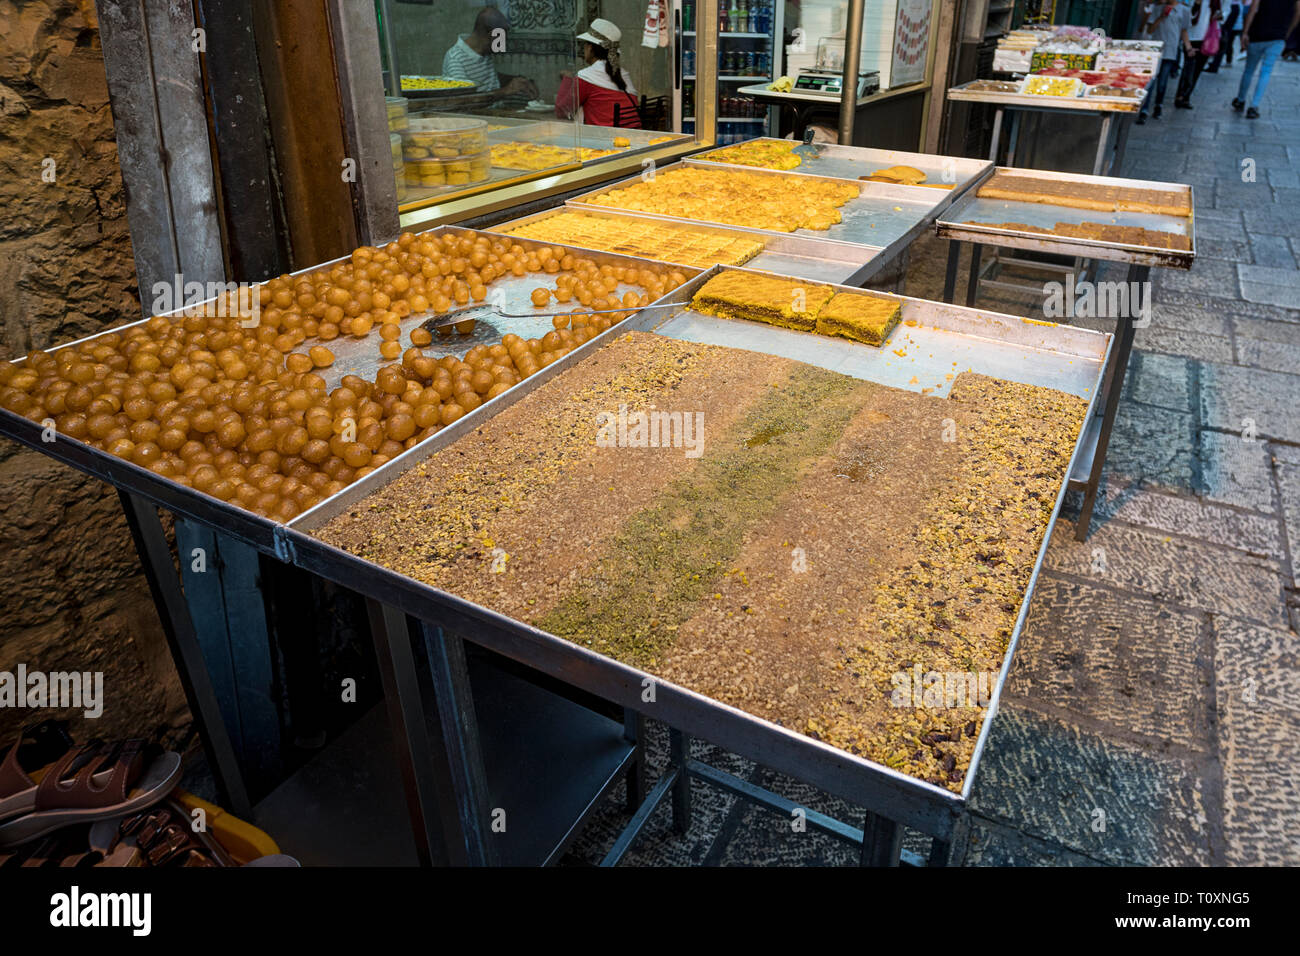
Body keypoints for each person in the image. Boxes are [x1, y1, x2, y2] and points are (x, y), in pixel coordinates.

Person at [555, 18, 641, 127]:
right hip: (631, 135)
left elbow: (562, 111)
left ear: (590, 48)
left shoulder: (586, 77)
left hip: (606, 139)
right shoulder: (623, 75)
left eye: (585, 45)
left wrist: (567, 79)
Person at [442, 6, 538, 98]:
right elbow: (463, 99)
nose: (503, 45)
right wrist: (505, 90)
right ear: (491, 35)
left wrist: (518, 80)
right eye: (501, 39)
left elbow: (490, 79)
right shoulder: (455, 59)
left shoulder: (484, 51)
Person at [1233, 0, 1300, 116]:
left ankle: (1240, 99)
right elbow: (1298, 14)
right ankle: (1254, 106)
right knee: (1266, 71)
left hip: (1257, 34)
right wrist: (1287, 33)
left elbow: (1252, 10)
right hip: (1278, 36)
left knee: (1249, 70)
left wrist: (1245, 32)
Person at [1137, 0, 1194, 123]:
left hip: (1170, 50)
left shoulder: (1184, 10)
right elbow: (1150, 30)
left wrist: (1188, 47)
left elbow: (1184, 31)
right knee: (1150, 82)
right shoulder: (1158, 8)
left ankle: (1159, 105)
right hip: (1156, 50)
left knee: (1162, 82)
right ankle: (1144, 109)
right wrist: (1161, 17)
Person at [1175, 0, 1221, 107]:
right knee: (1188, 68)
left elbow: (1223, 13)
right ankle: (1180, 95)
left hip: (1206, 39)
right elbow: (1188, 17)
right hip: (1191, 37)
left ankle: (1187, 96)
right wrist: (1196, 5)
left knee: (1197, 69)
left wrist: (1218, 15)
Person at [1207, 0, 1242, 69]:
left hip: (1229, 8)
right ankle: (1216, 62)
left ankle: (1215, 63)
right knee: (1224, 36)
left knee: (1223, 36)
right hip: (1230, 7)